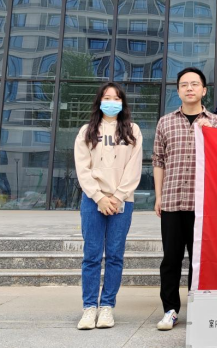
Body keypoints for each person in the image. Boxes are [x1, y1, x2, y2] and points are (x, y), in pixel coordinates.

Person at [153, 68, 217, 331]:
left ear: (204, 90)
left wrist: (211, 134)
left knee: (199, 260)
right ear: (178, 90)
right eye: (184, 84)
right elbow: (158, 160)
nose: (190, 88)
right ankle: (170, 310)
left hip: (202, 205)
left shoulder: (216, 122)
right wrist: (158, 196)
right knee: (170, 259)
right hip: (172, 200)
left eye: (195, 84)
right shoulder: (165, 122)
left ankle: (198, 309)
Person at [74, 83, 143, 330]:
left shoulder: (132, 130)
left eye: (116, 98)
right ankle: (89, 307)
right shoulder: (87, 131)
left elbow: (134, 167)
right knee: (92, 255)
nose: (111, 102)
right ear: (99, 101)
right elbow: (82, 168)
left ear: (122, 103)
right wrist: (99, 197)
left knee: (114, 255)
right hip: (93, 201)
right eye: (107, 97)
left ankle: (106, 307)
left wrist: (118, 196)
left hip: (122, 201)